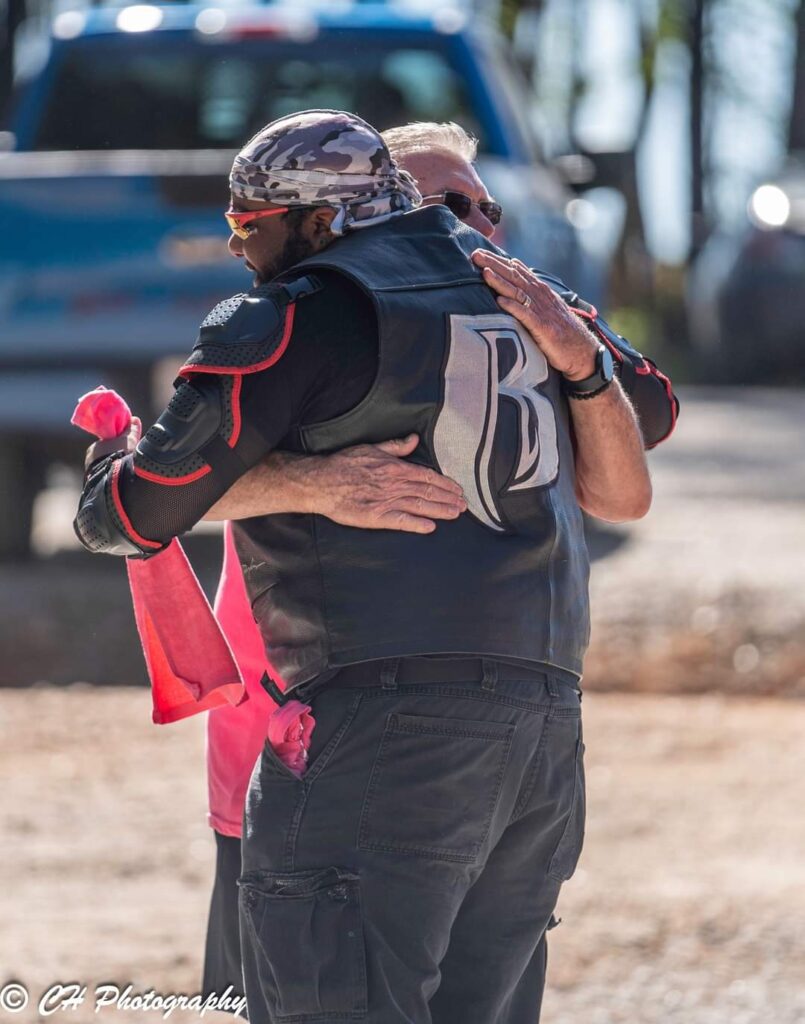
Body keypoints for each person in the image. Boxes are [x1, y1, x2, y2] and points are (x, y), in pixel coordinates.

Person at [74, 110, 660, 1024]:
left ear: (316, 219)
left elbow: (123, 515)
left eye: (247, 226)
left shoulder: (299, 313)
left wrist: (129, 463)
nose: (239, 249)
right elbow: (648, 414)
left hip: (374, 733)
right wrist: (317, 481)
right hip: (540, 741)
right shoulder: (529, 302)